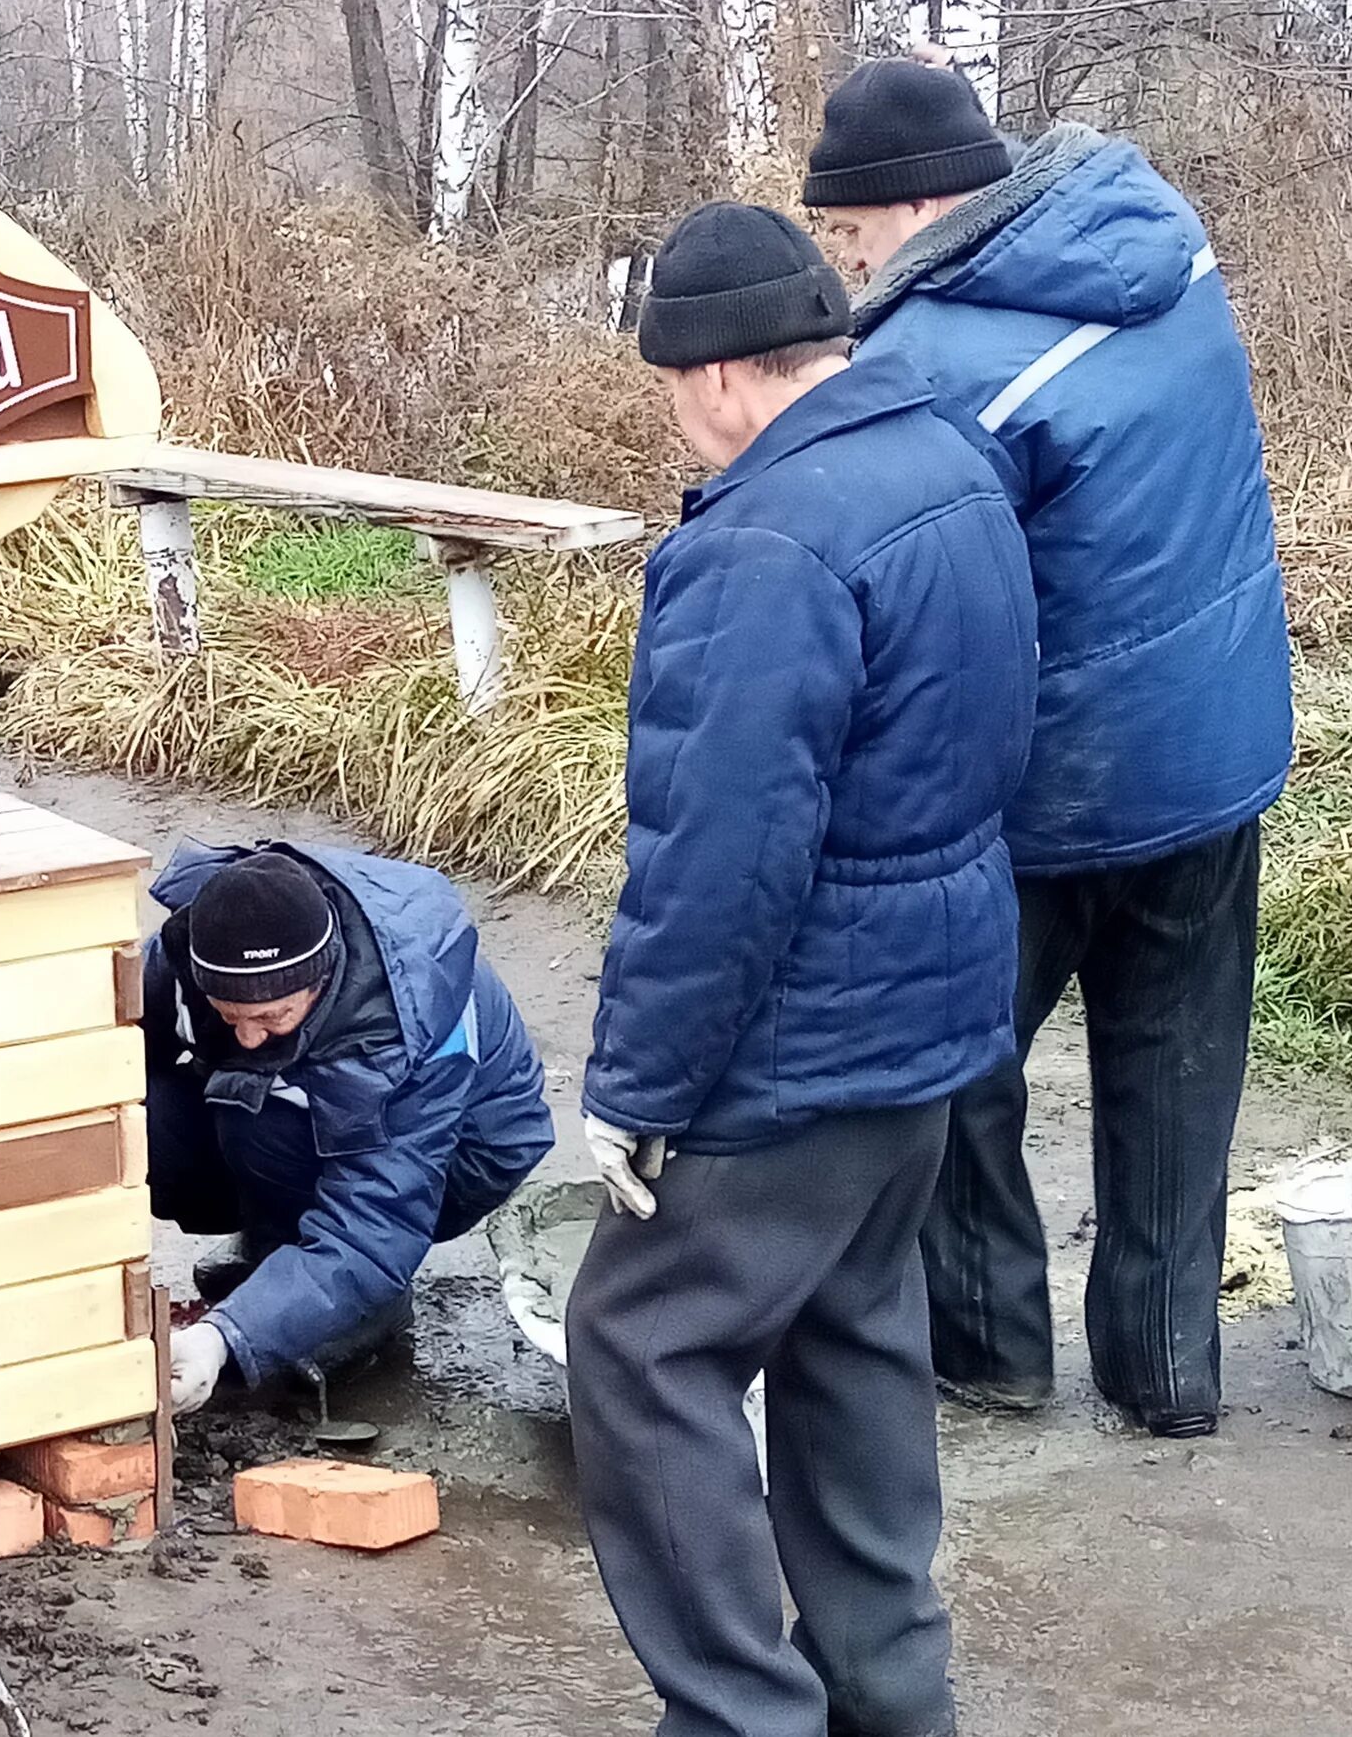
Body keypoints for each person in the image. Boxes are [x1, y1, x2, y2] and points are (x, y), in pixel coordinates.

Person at [568, 202, 1037, 1737]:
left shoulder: (767, 539)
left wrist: (636, 1086)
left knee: (641, 1348)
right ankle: (894, 1702)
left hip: (796, 1043)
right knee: (851, 1346)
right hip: (929, 1023)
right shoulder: (949, 461)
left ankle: (741, 1716)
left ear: (713, 375)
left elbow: (723, 857)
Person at [801, 59, 1294, 1438]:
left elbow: (914, 582)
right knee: (1181, 1069)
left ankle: (990, 1344)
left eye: (849, 232)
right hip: (1215, 751)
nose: (847, 262)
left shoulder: (931, 361)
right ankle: (1167, 1366)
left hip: (1047, 786)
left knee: (957, 1063)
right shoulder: (1166, 246)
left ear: (910, 204)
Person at [146, 841, 553, 1417]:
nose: (248, 1038)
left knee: (261, 1123)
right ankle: (281, 1275)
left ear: (319, 978)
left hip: (466, 1151)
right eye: (228, 1014)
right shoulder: (201, 941)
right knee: (136, 1120)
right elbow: (101, 1033)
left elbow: (373, 1225)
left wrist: (221, 1339)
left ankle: (359, 1306)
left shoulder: (403, 1030)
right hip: (316, 1107)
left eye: (271, 1017)